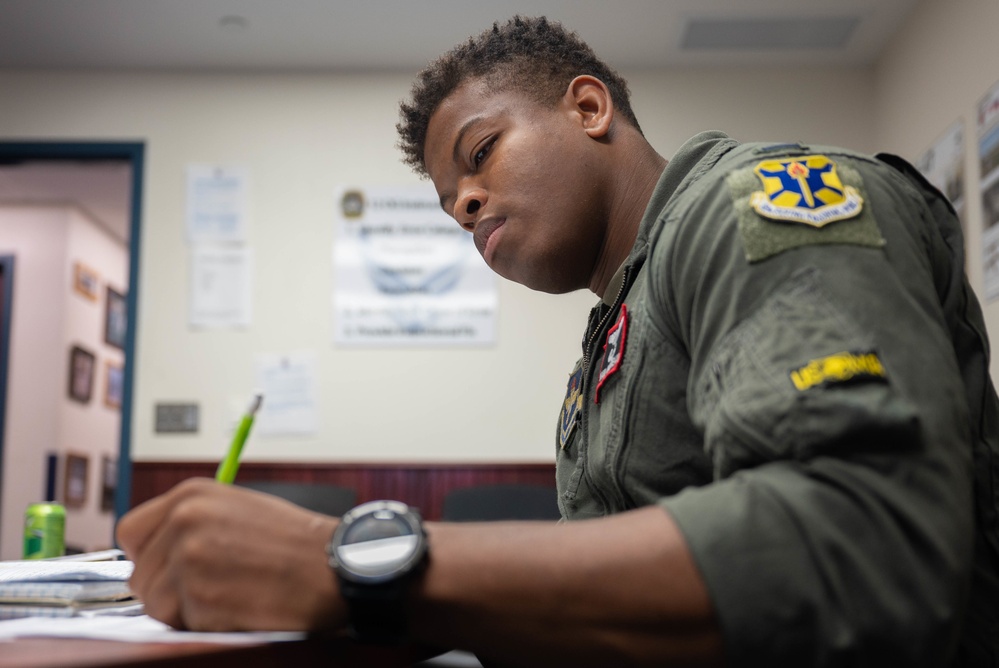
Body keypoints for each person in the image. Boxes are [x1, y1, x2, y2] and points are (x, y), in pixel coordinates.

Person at [117, 15, 999, 667]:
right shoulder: (612, 330)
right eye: (447, 204)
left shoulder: (752, 206)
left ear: (585, 107)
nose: (463, 205)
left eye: (482, 152)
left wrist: (369, 569)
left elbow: (865, 547)